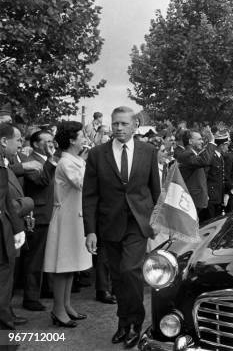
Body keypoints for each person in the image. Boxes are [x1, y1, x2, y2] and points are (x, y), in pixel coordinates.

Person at [83, 106, 160, 348]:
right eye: (115, 123)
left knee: (130, 270)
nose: (118, 128)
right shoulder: (97, 154)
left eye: (124, 124)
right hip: (110, 224)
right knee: (117, 276)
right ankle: (123, 323)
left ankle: (136, 322)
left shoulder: (149, 151)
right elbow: (90, 196)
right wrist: (91, 231)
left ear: (135, 125)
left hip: (138, 223)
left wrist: (156, 220)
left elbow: (155, 189)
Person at [42, 121, 91, 327]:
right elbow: (82, 183)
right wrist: (89, 162)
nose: (84, 139)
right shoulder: (67, 162)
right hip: (66, 220)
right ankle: (58, 309)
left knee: (71, 266)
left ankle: (66, 305)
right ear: (71, 140)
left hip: (74, 218)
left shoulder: (75, 160)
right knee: (63, 266)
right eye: (81, 136)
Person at [21, 130, 57, 311]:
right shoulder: (29, 162)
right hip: (37, 215)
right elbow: (41, 182)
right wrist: (51, 161)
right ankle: (30, 297)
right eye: (47, 141)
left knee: (46, 255)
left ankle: (46, 288)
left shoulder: (47, 159)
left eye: (52, 140)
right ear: (35, 144)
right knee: (34, 258)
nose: (51, 144)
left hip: (49, 212)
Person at [0, 123, 28, 331]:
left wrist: (17, 228)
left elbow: (6, 201)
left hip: (6, 231)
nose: (20, 144)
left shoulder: (3, 163)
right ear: (3, 141)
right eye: (17, 140)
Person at [176, 129, 214, 222]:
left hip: (196, 199)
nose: (202, 141)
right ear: (190, 141)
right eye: (199, 139)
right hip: (191, 200)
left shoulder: (193, 154)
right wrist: (211, 142)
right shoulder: (187, 154)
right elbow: (205, 161)